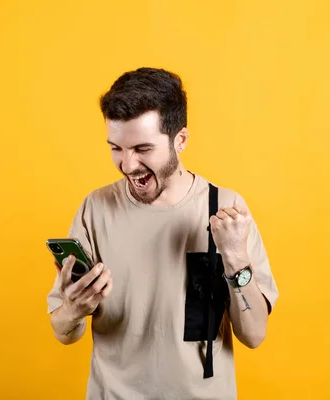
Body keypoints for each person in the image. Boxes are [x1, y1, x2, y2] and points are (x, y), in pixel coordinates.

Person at [46, 67, 279, 400]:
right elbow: (63, 332)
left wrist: (236, 259)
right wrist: (72, 308)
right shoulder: (95, 209)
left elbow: (254, 335)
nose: (127, 165)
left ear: (180, 140)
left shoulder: (225, 208)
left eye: (142, 149)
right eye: (116, 148)